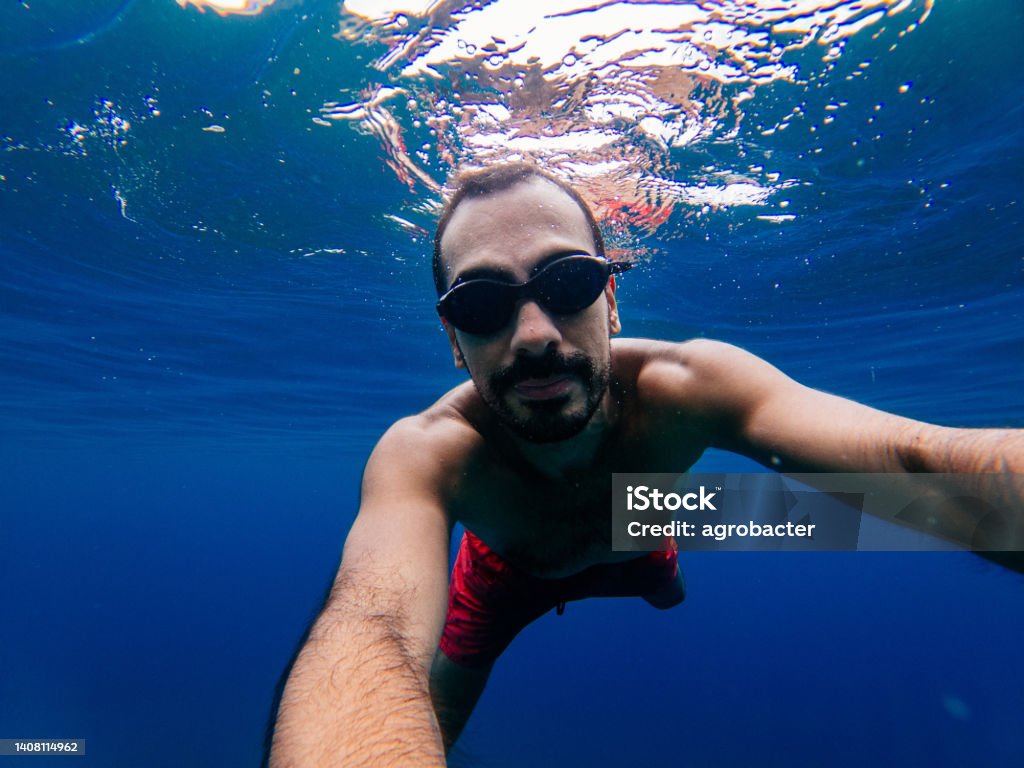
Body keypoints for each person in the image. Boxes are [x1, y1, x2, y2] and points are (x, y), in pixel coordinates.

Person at [268, 163, 1022, 767]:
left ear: (611, 301)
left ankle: (659, 563)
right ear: (452, 340)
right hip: (509, 569)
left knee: (860, 515)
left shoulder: (689, 384)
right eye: (482, 304)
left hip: (647, 519)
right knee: (436, 704)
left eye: (567, 284)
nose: (533, 333)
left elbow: (913, 458)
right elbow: (371, 629)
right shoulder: (428, 451)